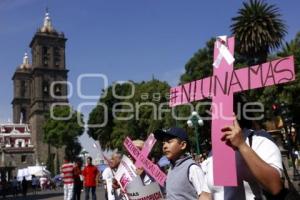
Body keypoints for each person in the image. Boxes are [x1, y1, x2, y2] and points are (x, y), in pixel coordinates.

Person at [202, 94, 283, 200]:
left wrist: (241, 145)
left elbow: (275, 187)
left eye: (215, 110)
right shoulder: (213, 153)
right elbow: (207, 194)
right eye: (210, 111)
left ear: (234, 113)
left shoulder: (259, 141)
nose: (211, 115)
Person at [154, 127, 209, 200]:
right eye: (163, 143)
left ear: (183, 145)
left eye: (169, 141)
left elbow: (205, 196)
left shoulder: (192, 168)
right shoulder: (171, 169)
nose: (164, 146)